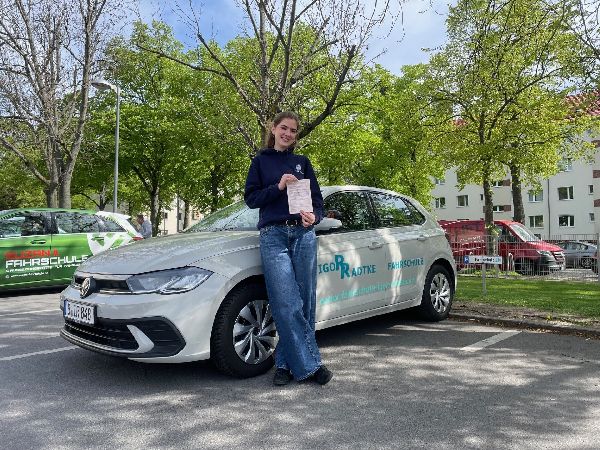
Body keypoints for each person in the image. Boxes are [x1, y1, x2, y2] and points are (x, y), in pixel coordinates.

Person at [244, 111, 333, 386]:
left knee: (305, 302)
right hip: (273, 235)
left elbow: (317, 202)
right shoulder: (260, 162)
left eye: (293, 131)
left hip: (303, 234)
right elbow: (251, 199)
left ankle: (284, 364)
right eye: (284, 128)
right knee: (285, 302)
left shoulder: (302, 163)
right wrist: (279, 186)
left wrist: (314, 217)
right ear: (273, 129)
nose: (288, 134)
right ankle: (313, 365)